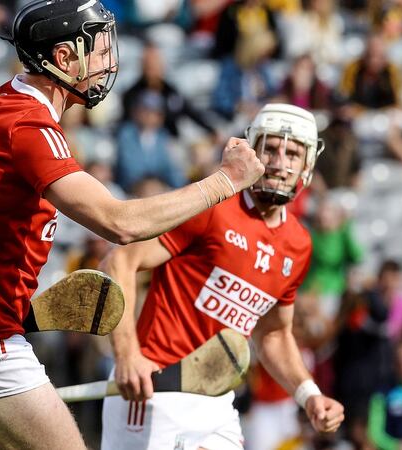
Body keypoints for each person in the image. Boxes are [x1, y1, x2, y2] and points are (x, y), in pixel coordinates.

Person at [0, 1, 265, 449]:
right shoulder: (30, 127)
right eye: (97, 48)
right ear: (63, 59)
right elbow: (118, 223)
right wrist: (224, 182)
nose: (108, 60)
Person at [100, 103, 344, 450]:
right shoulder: (211, 205)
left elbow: (273, 332)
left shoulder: (299, 244)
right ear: (252, 152)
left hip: (218, 401)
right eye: (271, 148)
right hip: (154, 389)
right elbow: (120, 261)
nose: (279, 162)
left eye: (292, 153)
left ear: (307, 166)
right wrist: (126, 355)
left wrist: (308, 395)